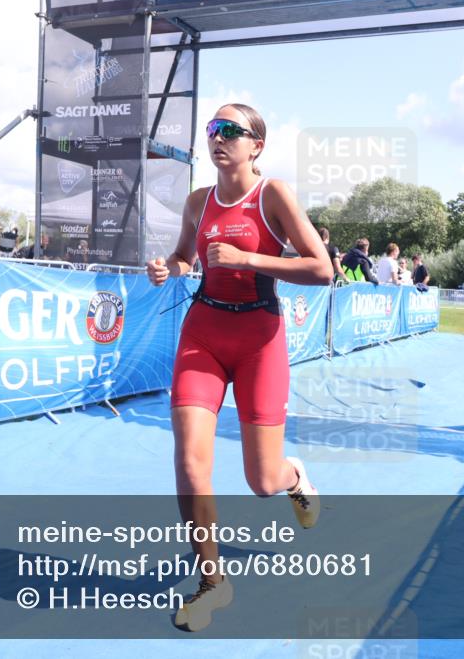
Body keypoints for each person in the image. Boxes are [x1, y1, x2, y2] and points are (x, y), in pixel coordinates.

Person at [146, 103, 331, 632]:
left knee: (261, 481)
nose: (218, 138)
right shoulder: (198, 201)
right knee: (189, 460)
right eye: (212, 129)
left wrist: (249, 260)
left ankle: (294, 478)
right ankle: (213, 582)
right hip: (203, 331)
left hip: (259, 340)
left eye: (231, 130)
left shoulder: (272, 195)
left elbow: (322, 269)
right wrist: (170, 266)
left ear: (257, 145)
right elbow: (187, 257)